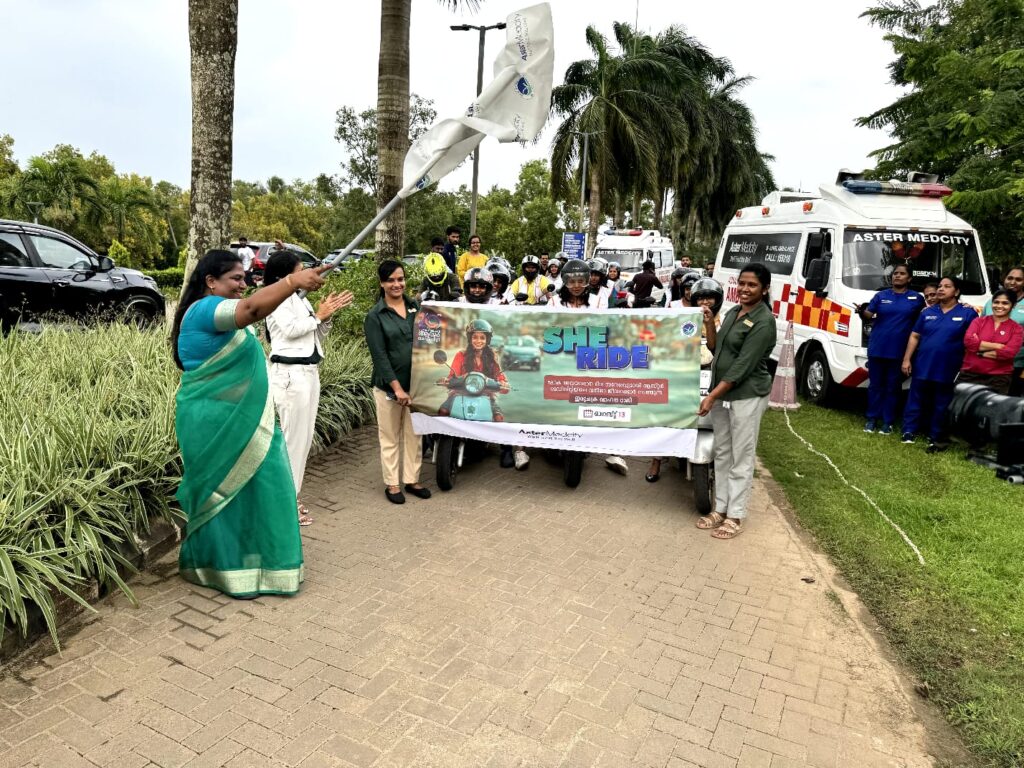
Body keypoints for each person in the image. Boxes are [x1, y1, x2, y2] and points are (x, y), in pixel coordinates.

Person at [171, 249, 328, 598]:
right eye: (235, 279)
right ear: (210, 281)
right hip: (216, 423)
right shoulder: (204, 309)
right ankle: (225, 569)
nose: (243, 285)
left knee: (256, 492)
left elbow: (258, 306)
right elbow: (253, 309)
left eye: (245, 278)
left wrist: (299, 285)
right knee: (234, 494)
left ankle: (255, 566)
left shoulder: (214, 311)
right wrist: (291, 280)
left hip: (240, 420)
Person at [264, 252, 354, 526]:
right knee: (293, 442)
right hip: (291, 375)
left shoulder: (296, 299)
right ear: (285, 275)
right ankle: (285, 504)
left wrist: (324, 317)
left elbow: (313, 336)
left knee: (300, 441)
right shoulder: (276, 297)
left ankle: (289, 498)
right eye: (301, 270)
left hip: (308, 372)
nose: (306, 275)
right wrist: (318, 316)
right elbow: (290, 330)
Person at [696, 263, 777, 539]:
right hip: (723, 394)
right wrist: (708, 322)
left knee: (741, 457)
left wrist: (711, 396)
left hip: (746, 395)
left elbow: (742, 367)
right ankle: (720, 508)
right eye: (742, 283)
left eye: (752, 285)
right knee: (722, 451)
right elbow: (715, 348)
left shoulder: (764, 321)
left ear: (764, 289)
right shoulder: (733, 311)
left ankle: (735, 515)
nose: (745, 289)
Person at [551, 259, 630, 475]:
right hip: (560, 359)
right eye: (571, 281)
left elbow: (606, 327)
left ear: (587, 281)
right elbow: (545, 325)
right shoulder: (555, 302)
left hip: (590, 360)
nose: (576, 285)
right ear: (565, 282)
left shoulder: (598, 300)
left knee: (609, 398)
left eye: (580, 281)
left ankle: (613, 450)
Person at [364, 260, 432, 504]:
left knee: (415, 434)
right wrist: (397, 389)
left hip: (416, 386)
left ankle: (412, 480)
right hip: (389, 389)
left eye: (400, 279)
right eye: (391, 280)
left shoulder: (416, 307)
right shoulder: (375, 316)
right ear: (382, 283)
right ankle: (392, 484)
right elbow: (380, 357)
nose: (397, 284)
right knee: (390, 436)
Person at [647, 278, 722, 483]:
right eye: (701, 298)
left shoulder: (722, 321)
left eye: (710, 298)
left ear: (718, 301)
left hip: (711, 372)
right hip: (682, 370)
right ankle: (656, 459)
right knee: (665, 412)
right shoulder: (681, 317)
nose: (705, 302)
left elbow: (722, 348)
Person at [901, 276, 979, 452]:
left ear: (957, 292)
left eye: (947, 286)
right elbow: (914, 335)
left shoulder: (968, 313)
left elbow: (972, 342)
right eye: (940, 286)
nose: (941, 289)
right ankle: (908, 431)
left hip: (949, 367)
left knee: (941, 403)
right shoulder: (927, 312)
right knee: (915, 399)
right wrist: (906, 359)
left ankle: (935, 435)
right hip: (923, 365)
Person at [856, 264, 924, 434]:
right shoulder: (881, 296)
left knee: (893, 388)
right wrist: (860, 311)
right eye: (895, 274)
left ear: (909, 279)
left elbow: (927, 315)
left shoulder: (916, 298)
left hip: (899, 351)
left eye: (902, 274)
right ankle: (871, 420)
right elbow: (868, 315)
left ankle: (888, 422)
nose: (897, 276)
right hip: (877, 348)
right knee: (875, 387)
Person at [960, 289, 1023, 394]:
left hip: (998, 378)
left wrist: (979, 351)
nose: (999, 306)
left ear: (1013, 305)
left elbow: (1009, 353)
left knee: (990, 410)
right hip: (969, 374)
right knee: (962, 409)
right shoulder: (978, 321)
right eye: (996, 302)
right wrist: (998, 346)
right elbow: (968, 342)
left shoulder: (1017, 329)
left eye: (1005, 303)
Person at [982, 266, 1024, 395]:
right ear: (1004, 279)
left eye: (1018, 279)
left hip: (1015, 366)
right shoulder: (991, 302)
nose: (1013, 282)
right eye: (1010, 278)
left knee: (1008, 406)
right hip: (987, 362)